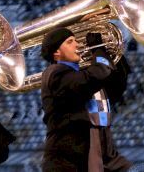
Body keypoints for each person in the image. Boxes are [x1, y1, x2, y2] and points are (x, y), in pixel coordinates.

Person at [40, 27, 132, 172]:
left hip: (101, 147)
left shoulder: (81, 74)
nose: (77, 45)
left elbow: (117, 84)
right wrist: (98, 49)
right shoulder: (55, 73)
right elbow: (98, 74)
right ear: (56, 52)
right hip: (68, 156)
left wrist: (112, 51)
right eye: (70, 42)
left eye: (76, 40)